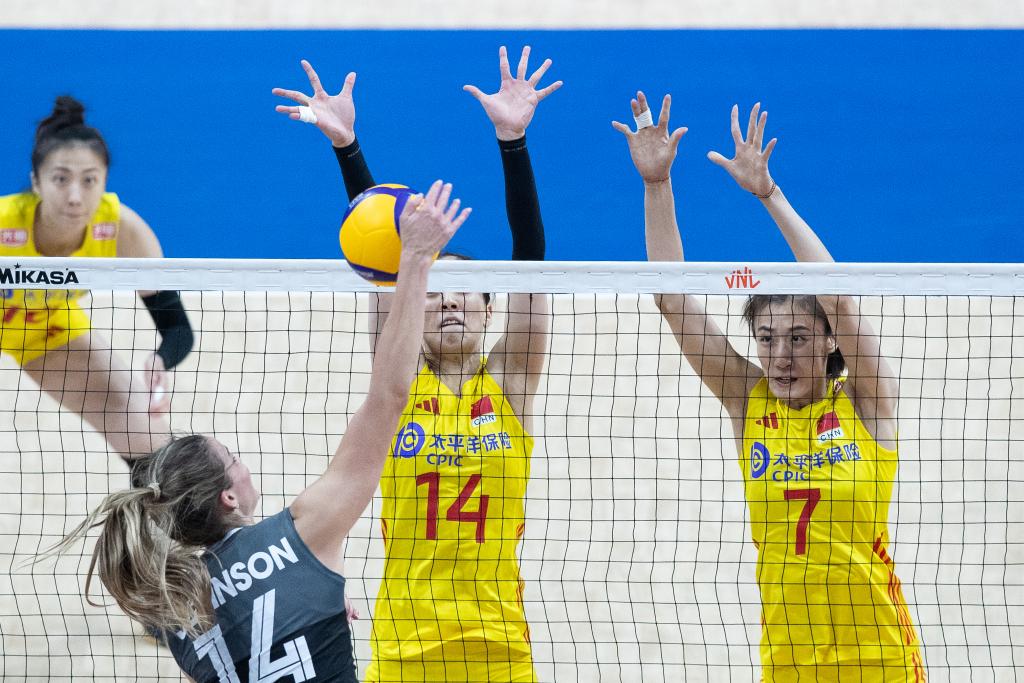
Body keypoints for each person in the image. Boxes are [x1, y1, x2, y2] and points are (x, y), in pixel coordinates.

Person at [50, 180, 470, 682]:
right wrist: (416, 260)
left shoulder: (179, 615)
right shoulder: (306, 532)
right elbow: (389, 396)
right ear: (228, 496)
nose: (243, 463)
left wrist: (316, 596)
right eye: (233, 459)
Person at [614, 93, 926, 681]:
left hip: (881, 659)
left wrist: (769, 195)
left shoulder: (868, 401)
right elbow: (672, 301)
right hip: (787, 663)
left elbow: (839, 299)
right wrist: (657, 185)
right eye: (767, 338)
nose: (780, 357)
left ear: (829, 341)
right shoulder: (748, 399)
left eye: (799, 338)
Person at [273, 45, 557, 681]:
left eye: (464, 291)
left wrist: (513, 143)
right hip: (402, 649)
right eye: (431, 293)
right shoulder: (397, 387)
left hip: (501, 650)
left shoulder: (511, 383)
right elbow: (386, 259)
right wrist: (347, 149)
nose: (449, 300)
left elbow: (531, 261)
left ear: (490, 308)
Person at [1, 96, 193, 462]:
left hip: (46, 331)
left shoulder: (123, 230)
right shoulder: (3, 222)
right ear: (36, 182)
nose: (75, 197)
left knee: (148, 435)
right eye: (60, 179)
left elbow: (177, 328)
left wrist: (160, 359)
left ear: (104, 180)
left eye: (89, 180)